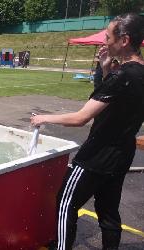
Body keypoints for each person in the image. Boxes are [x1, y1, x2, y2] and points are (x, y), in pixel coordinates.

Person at [31, 13, 144, 250]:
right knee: (109, 211)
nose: (105, 42)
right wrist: (105, 72)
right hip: (122, 152)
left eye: (108, 37)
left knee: (64, 202)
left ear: (124, 40)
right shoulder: (135, 73)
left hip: (97, 154)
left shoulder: (122, 75)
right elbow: (117, 105)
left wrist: (43, 118)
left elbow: (81, 118)